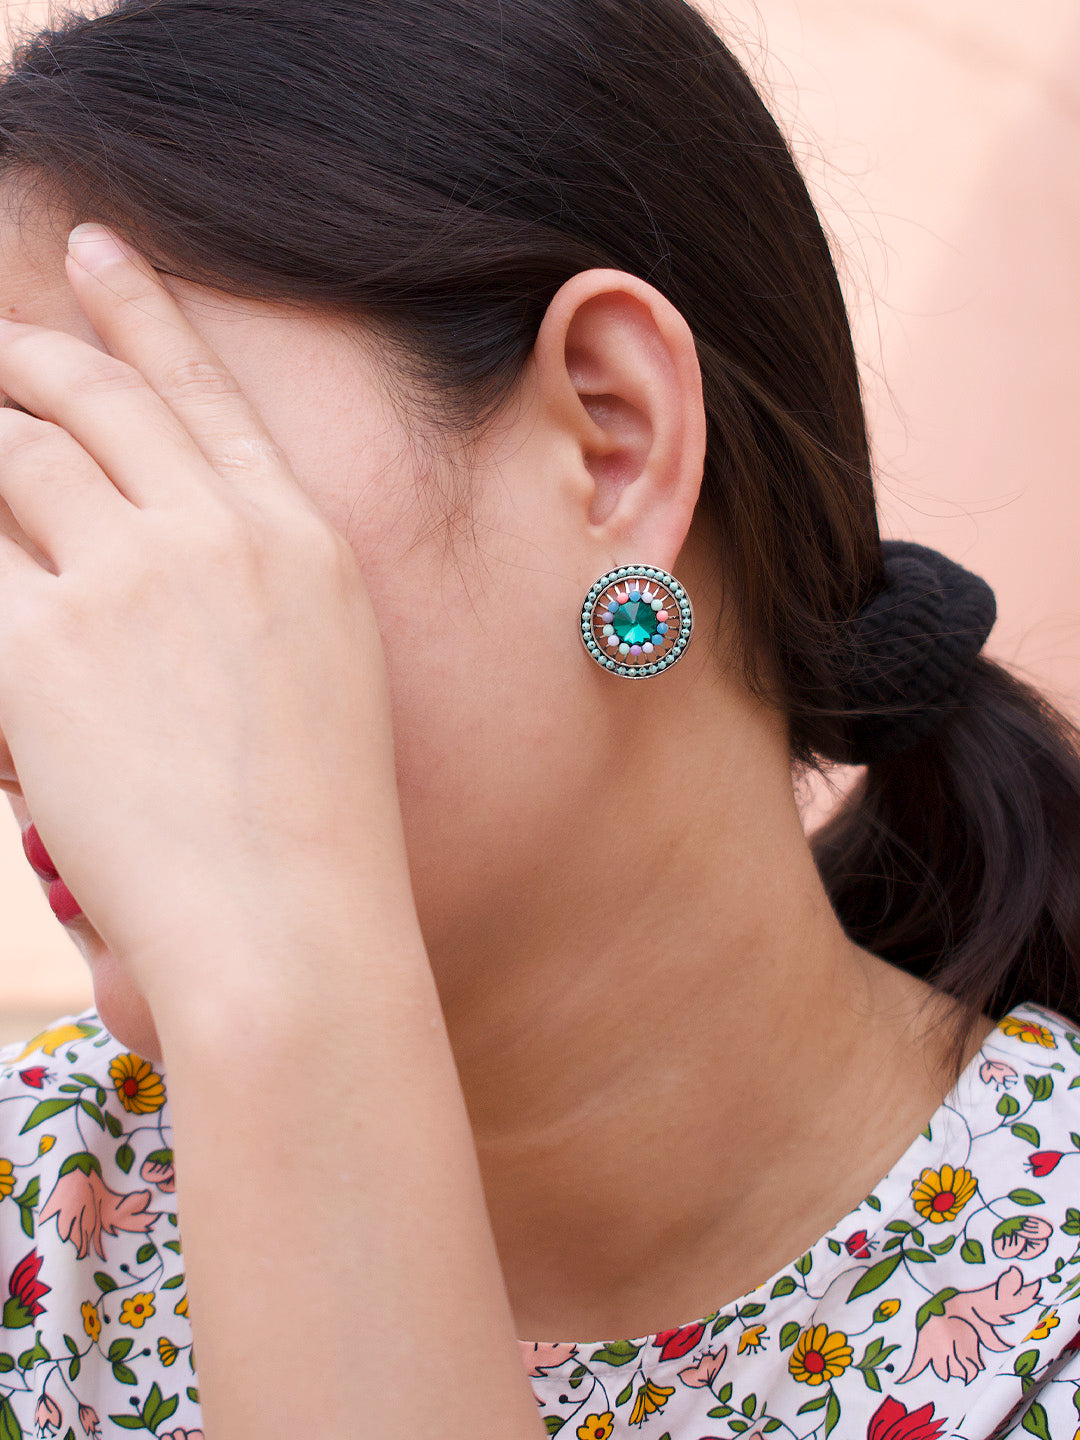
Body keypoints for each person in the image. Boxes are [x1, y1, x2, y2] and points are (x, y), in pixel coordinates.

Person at [0, 0, 1074, 1437]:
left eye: (126, 486)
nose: (42, 659)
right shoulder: (39, 1211)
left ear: (612, 436)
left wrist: (284, 970)